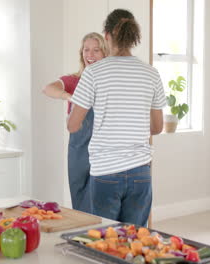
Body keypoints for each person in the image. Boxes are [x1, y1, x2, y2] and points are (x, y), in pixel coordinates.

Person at [67, 9, 165, 226]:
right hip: (141, 172)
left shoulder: (93, 73)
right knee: (136, 239)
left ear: (107, 36)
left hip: (106, 173)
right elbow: (157, 127)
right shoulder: (151, 74)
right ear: (133, 37)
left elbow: (73, 125)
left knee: (106, 240)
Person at [43, 32, 108, 213]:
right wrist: (70, 96)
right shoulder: (74, 80)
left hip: (104, 149)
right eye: (86, 50)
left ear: (105, 53)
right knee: (80, 199)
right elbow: (48, 88)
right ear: (81, 54)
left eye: (96, 50)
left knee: (101, 200)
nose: (90, 55)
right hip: (78, 151)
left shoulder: (109, 82)